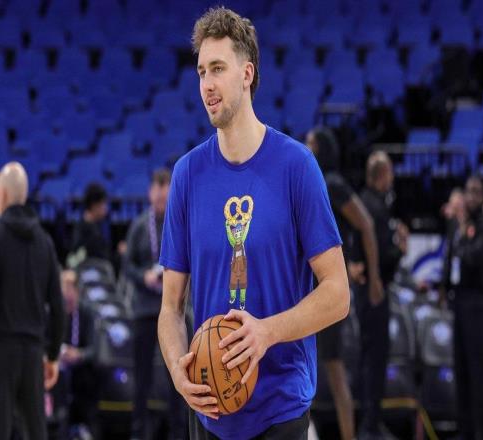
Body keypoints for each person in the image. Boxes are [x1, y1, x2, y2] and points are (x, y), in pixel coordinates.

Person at [157, 7, 350, 440]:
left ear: (247, 74)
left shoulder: (296, 166)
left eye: (218, 69)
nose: (207, 84)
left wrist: (266, 332)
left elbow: (338, 293)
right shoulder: (187, 175)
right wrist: (177, 370)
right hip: (209, 410)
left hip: (280, 407)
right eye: (201, 72)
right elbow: (170, 308)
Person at [306, 127, 383, 440]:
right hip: (307, 286)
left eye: (311, 144)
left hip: (327, 288)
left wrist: (373, 277)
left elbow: (365, 224)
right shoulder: (308, 180)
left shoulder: (333, 183)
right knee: (304, 368)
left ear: (323, 149)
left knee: (334, 369)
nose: (305, 147)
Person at [0, 162, 65, 440]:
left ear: (2, 194)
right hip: (34, 353)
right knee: (36, 432)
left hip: (2, 349)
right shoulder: (44, 242)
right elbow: (58, 307)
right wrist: (52, 355)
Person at [125, 168, 187, 440]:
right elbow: (127, 265)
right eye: (157, 192)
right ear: (150, 193)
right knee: (142, 376)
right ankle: (138, 432)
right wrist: (144, 276)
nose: (161, 198)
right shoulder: (140, 226)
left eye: (165, 192)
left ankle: (178, 433)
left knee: (178, 373)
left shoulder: (179, 224)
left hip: (174, 311)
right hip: (145, 310)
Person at [350, 151, 407, 440]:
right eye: (390, 173)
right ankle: (370, 425)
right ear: (381, 175)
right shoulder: (377, 209)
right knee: (375, 357)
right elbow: (384, 257)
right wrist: (401, 249)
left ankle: (368, 421)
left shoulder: (360, 201)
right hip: (374, 290)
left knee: (367, 356)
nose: (392, 178)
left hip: (362, 291)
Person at [441, 176, 483, 440]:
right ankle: (464, 431)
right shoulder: (460, 225)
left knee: (480, 372)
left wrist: (462, 236)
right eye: (468, 191)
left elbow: (474, 257)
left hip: (480, 304)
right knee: (461, 368)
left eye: (477, 191)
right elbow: (451, 258)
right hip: (461, 303)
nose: (471, 196)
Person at [59, 269, 97, 439]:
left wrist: (79, 355)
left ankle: (85, 427)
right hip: (58, 368)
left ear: (77, 290)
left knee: (90, 372)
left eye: (69, 287)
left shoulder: (87, 312)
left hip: (80, 370)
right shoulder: (54, 312)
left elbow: (94, 349)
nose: (66, 292)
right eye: (63, 287)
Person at [71, 182, 111, 262]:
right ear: (94, 205)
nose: (106, 208)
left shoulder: (97, 226)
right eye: (103, 204)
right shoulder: (86, 231)